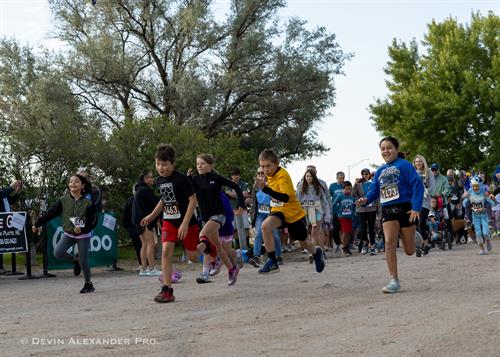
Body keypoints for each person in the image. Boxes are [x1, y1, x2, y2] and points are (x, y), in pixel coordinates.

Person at [357, 136, 424, 293]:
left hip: (406, 209)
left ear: (396, 149)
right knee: (389, 242)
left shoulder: (404, 165)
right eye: (383, 149)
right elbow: (374, 191)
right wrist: (365, 200)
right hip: (387, 209)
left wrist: (416, 207)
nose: (386, 151)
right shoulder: (379, 170)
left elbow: (417, 185)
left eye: (389, 148)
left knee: (409, 251)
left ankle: (415, 237)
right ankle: (394, 280)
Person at [141, 144, 199, 303]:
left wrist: (185, 224)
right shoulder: (159, 180)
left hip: (187, 221)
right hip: (169, 221)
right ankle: (167, 290)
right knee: (166, 250)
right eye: (158, 164)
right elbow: (164, 199)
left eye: (164, 164)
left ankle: (206, 246)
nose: (161, 167)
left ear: (172, 163)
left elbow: (193, 200)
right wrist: (152, 215)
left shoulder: (181, 179)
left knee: (193, 257)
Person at [255, 149, 325, 274]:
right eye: (262, 166)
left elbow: (285, 198)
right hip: (279, 211)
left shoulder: (282, 175)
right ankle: (272, 261)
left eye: (268, 166)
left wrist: (265, 189)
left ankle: (316, 252)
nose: (265, 170)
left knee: (304, 243)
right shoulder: (269, 176)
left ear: (276, 163)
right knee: (265, 226)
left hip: (294, 214)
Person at [32, 174, 97, 293]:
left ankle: (88, 284)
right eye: (71, 181)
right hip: (68, 234)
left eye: (76, 181)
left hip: (83, 235)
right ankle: (74, 260)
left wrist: (83, 229)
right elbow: (50, 214)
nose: (73, 183)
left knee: (84, 261)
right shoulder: (63, 200)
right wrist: (37, 224)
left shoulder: (88, 203)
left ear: (82, 185)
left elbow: (93, 221)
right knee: (57, 252)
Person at [191, 154, 245, 286]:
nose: (200, 166)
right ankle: (231, 269)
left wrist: (242, 204)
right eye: (198, 164)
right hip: (206, 218)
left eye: (203, 163)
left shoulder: (216, 178)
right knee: (218, 247)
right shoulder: (195, 179)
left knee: (203, 235)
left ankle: (207, 265)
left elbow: (236, 187)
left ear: (210, 165)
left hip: (219, 216)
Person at [248, 167, 283, 268]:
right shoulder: (255, 187)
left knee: (275, 236)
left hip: (272, 213)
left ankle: (278, 256)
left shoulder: (273, 184)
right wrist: (252, 215)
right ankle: (256, 256)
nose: (260, 175)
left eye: (262, 173)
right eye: (258, 173)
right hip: (260, 214)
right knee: (258, 234)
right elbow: (253, 202)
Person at [296, 168, 330, 257]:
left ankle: (315, 253)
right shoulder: (301, 187)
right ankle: (319, 252)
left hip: (317, 210)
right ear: (304, 177)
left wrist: (327, 214)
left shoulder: (318, 187)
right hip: (305, 211)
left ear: (314, 177)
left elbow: (325, 201)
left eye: (311, 176)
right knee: (308, 232)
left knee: (315, 232)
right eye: (307, 176)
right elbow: (297, 201)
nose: (309, 178)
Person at [133, 169, 161, 276]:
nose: (152, 179)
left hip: (138, 220)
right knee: (150, 243)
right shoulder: (145, 190)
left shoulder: (139, 189)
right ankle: (152, 268)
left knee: (144, 244)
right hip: (144, 220)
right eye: (150, 177)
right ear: (145, 179)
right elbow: (155, 202)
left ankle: (143, 269)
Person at [464, 177, 495, 255]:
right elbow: (465, 204)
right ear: (471, 185)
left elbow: (492, 203)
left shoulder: (484, 193)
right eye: (473, 186)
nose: (475, 188)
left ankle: (488, 241)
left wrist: (493, 199)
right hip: (475, 216)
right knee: (478, 233)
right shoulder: (470, 193)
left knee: (485, 233)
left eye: (477, 186)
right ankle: (482, 249)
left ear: (480, 185)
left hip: (484, 215)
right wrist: (464, 196)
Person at [413, 155, 435, 255]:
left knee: (421, 223)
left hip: (425, 201)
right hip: (415, 201)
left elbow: (432, 187)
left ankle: (425, 244)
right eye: (416, 161)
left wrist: (425, 191)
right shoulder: (412, 172)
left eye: (420, 161)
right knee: (416, 224)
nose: (418, 163)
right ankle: (420, 245)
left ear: (423, 162)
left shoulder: (428, 172)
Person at [225, 168, 251, 252]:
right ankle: (238, 244)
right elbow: (229, 193)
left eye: (237, 175)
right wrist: (240, 195)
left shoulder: (243, 184)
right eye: (234, 175)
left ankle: (246, 244)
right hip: (232, 209)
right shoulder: (229, 184)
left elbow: (246, 193)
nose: (236, 176)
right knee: (234, 228)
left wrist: (235, 195)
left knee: (245, 227)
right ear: (231, 176)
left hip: (242, 208)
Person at [353, 168, 378, 255]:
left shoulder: (373, 183)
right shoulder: (358, 185)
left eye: (366, 174)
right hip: (361, 209)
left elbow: (376, 195)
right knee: (363, 228)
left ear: (369, 175)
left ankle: (373, 246)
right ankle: (364, 244)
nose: (364, 176)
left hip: (372, 208)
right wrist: (355, 184)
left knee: (371, 228)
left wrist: (379, 209)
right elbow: (353, 195)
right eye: (363, 174)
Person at [0, 179, 23, 273]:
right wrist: (11, 187)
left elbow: (9, 201)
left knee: (1, 245)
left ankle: (0, 267)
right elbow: (2, 194)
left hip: (5, 220)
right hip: (1, 220)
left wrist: (17, 192)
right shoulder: (2, 192)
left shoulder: (2, 191)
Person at [332, 181, 356, 256]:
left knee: (349, 232)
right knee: (345, 231)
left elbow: (354, 205)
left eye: (349, 189)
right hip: (342, 216)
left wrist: (354, 211)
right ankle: (343, 247)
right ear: (343, 189)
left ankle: (346, 246)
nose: (348, 191)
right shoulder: (340, 196)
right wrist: (337, 210)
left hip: (350, 216)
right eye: (346, 189)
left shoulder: (352, 197)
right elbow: (333, 204)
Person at [123, 189, 141, 269]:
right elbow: (125, 214)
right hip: (134, 227)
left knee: (142, 246)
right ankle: (143, 264)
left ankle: (144, 264)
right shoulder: (130, 200)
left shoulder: (138, 199)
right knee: (140, 246)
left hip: (139, 226)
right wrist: (128, 227)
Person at [329, 172, 345, 252]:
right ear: (337, 178)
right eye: (340, 178)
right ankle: (337, 243)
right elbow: (329, 197)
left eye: (343, 178)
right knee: (335, 229)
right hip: (335, 211)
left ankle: (345, 245)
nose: (342, 180)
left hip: (345, 211)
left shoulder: (346, 185)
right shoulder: (332, 186)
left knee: (345, 229)